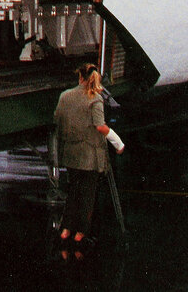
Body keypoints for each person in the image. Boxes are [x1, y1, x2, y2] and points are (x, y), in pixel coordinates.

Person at [53, 62, 124, 246]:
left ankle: (66, 230)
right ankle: (80, 233)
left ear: (80, 77)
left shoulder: (64, 96)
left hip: (71, 153)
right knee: (87, 196)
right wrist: (118, 143)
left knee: (73, 192)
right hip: (90, 156)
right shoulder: (95, 99)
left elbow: (57, 121)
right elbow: (100, 126)